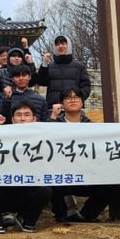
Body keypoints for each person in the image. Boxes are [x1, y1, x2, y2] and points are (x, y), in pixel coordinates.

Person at [0, 99, 52, 233]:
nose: (22, 119)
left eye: (27, 115)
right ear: (13, 119)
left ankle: (27, 220)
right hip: (3, 189)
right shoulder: (0, 134)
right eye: (18, 115)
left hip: (28, 187)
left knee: (46, 190)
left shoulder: (44, 137)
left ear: (34, 119)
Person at [47, 88, 113, 223]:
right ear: (62, 103)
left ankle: (87, 215)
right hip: (61, 175)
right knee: (50, 180)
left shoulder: (92, 126)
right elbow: (45, 139)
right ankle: (62, 215)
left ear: (82, 102)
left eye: (76, 98)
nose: (72, 100)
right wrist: (53, 116)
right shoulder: (55, 123)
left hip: (87, 174)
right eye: (68, 98)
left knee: (112, 185)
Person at [37, 35, 92, 107]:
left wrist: (77, 100)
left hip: (74, 108)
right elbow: (41, 82)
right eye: (57, 44)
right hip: (53, 108)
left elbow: (86, 87)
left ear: (68, 45)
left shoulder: (79, 67)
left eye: (63, 43)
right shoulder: (49, 66)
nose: (60, 46)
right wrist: (44, 64)